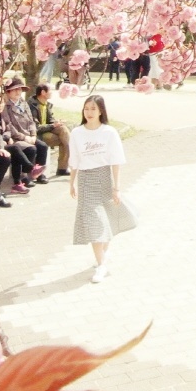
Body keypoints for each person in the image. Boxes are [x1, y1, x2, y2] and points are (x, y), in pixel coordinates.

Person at [70, 95, 130, 282]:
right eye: (86, 109)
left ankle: (102, 257)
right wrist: (71, 182)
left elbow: (116, 160)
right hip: (86, 180)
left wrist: (116, 187)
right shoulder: (77, 133)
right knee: (94, 222)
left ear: (101, 111)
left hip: (104, 178)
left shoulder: (109, 133)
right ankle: (101, 265)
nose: (89, 113)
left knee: (106, 221)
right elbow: (74, 160)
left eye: (93, 109)